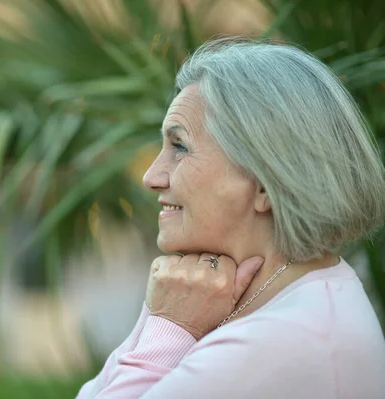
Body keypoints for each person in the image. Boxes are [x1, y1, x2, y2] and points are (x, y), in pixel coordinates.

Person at [76, 38, 385, 398]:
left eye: (179, 147)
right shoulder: (253, 299)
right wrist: (161, 315)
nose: (151, 176)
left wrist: (169, 327)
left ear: (266, 181)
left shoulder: (280, 340)